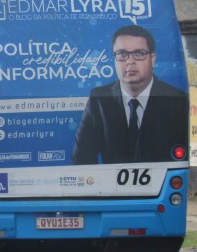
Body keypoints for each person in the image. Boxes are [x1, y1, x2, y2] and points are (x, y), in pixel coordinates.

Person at [72, 25, 189, 164]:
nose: (130, 61)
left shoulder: (176, 100)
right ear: (114, 59)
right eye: (122, 54)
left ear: (152, 59)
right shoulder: (99, 100)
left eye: (139, 53)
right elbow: (81, 159)